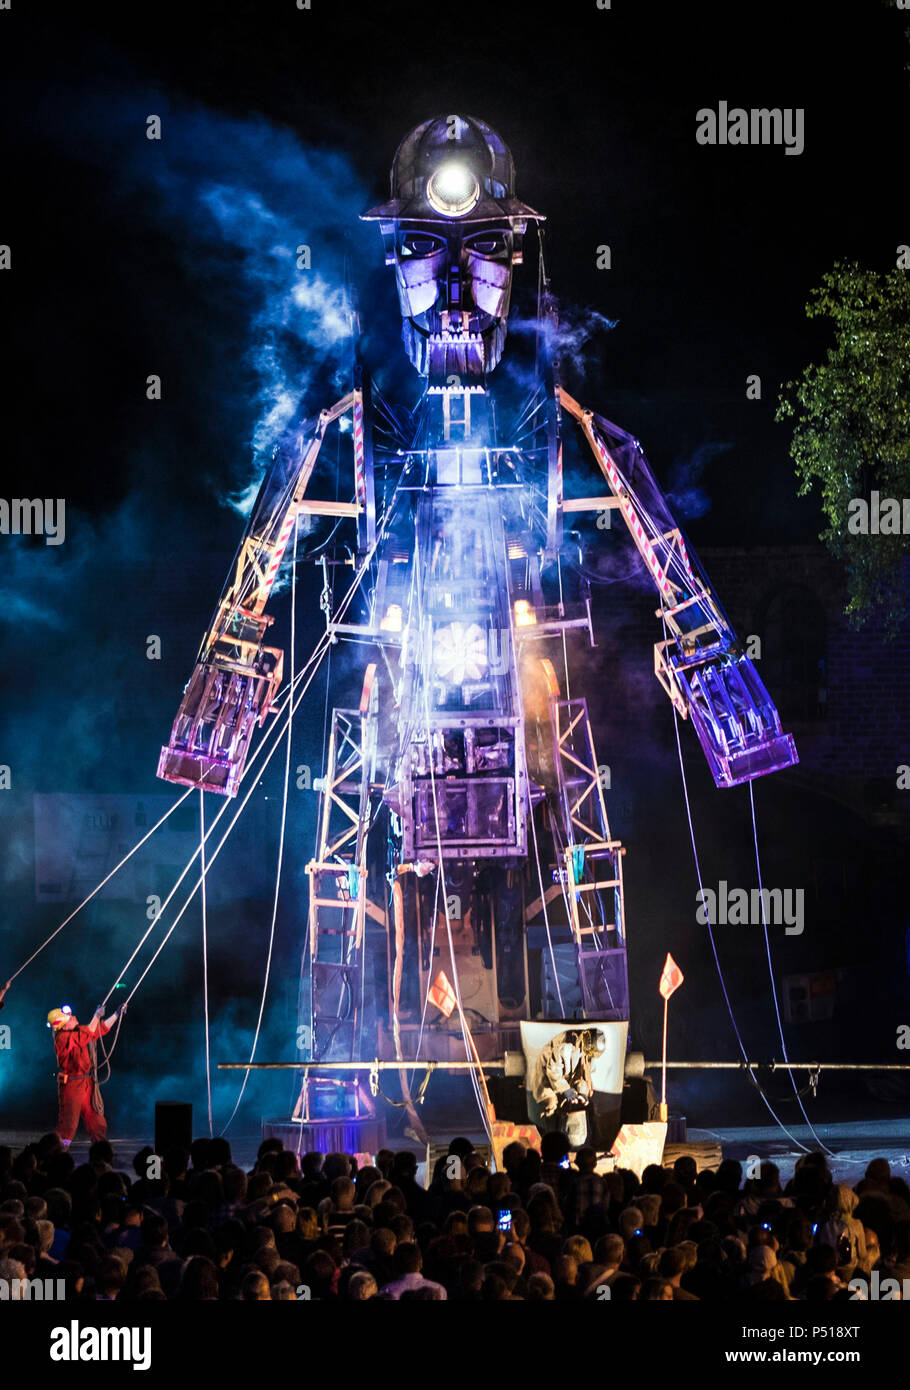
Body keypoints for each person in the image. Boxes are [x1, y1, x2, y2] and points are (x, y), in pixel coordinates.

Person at [47, 1002, 125, 1147]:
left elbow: (98, 1030)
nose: (74, 1017)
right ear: (63, 1026)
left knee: (96, 1120)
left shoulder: (79, 1030)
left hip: (86, 1083)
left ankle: (102, 1153)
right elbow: (87, 1033)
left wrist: (116, 1014)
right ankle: (56, 1153)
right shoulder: (62, 1039)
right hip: (71, 1085)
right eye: (69, 1018)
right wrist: (96, 1016)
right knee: (68, 1125)